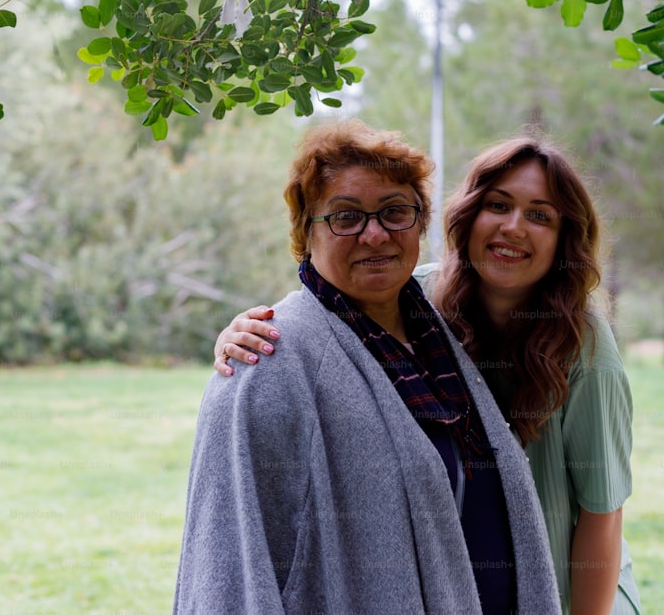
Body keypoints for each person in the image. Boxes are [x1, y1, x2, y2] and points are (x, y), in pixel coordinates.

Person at [214, 136, 641, 615]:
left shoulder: (585, 348)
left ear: (564, 238)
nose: (514, 227)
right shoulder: (420, 296)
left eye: (540, 215)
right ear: (468, 216)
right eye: (497, 205)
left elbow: (603, 514)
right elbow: (325, 310)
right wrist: (243, 331)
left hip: (565, 590)